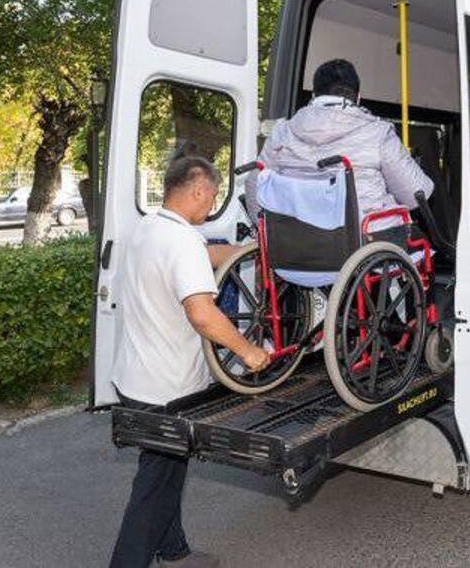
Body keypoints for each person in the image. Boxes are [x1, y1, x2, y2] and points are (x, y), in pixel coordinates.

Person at [109, 155, 270, 568]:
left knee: (168, 468)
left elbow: (205, 254)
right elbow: (201, 314)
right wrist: (247, 350)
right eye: (212, 198)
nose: (211, 207)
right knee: (155, 485)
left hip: (134, 379)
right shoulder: (181, 241)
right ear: (199, 189)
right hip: (167, 388)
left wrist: (247, 251)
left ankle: (174, 551)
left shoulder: (147, 227)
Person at [258, 58, 434, 216]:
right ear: (358, 98)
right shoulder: (379, 133)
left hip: (294, 236)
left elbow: (256, 188)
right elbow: (416, 195)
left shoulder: (280, 133)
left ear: (313, 95)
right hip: (368, 237)